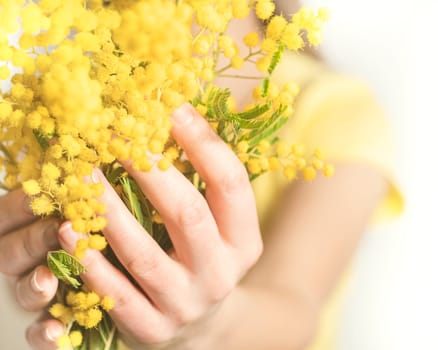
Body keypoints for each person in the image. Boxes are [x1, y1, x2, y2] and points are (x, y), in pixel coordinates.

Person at [0, 2, 403, 349]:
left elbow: (295, 303)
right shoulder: (69, 94)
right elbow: (55, 278)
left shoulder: (335, 110)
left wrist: (207, 327)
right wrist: (49, 277)